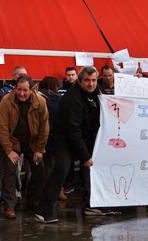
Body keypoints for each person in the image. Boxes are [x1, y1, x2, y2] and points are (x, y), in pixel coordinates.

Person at [36, 66, 103, 223]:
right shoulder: (72, 99)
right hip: (64, 139)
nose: (91, 84)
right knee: (62, 170)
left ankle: (91, 204)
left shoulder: (96, 94)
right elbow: (73, 130)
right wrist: (85, 156)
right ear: (79, 81)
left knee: (89, 170)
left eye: (93, 80)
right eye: (87, 80)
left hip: (84, 138)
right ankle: (43, 210)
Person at [0, 76, 49, 219]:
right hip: (13, 141)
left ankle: (32, 201)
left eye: (25, 90)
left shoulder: (41, 102)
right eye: (19, 90)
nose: (22, 93)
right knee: (10, 172)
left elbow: (45, 127)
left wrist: (39, 149)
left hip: (32, 142)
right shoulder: (6, 101)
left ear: (31, 89)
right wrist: (9, 150)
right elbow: (2, 128)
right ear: (15, 88)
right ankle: (10, 206)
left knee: (40, 170)